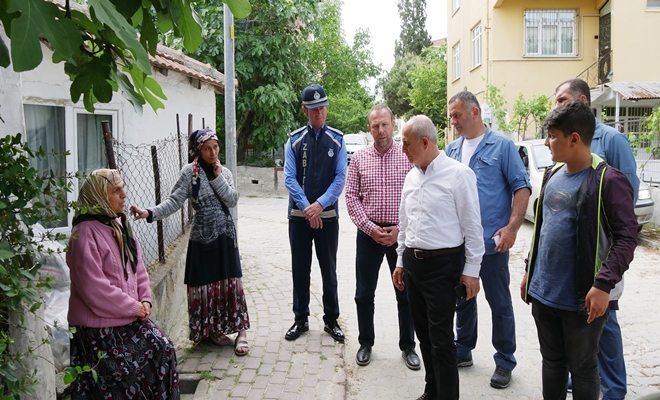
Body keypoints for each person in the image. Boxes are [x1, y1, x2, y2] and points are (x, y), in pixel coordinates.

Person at [520, 100, 638, 400]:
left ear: (574, 138)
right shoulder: (551, 175)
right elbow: (542, 231)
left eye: (552, 136)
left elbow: (626, 238)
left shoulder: (608, 180)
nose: (547, 143)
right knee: (552, 363)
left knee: (584, 369)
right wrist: (528, 272)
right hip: (544, 295)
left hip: (581, 300)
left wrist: (603, 284)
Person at [554, 78, 640, 400]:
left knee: (605, 321)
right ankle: (586, 376)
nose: (556, 106)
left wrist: (610, 247)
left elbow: (625, 197)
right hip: (572, 258)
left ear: (582, 100)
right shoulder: (563, 139)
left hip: (604, 253)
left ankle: (614, 390)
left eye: (562, 100)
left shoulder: (611, 139)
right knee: (581, 323)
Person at [130, 128, 250, 356]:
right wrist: (149, 213)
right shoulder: (190, 173)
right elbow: (174, 201)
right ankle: (211, 331)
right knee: (205, 285)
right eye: (207, 148)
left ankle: (241, 331)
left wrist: (216, 177)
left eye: (215, 147)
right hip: (201, 239)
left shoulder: (223, 172)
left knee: (231, 282)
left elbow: (232, 199)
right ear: (198, 150)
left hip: (225, 236)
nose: (213, 152)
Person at [392, 115, 485, 400]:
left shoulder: (458, 174)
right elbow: (404, 222)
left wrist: (472, 270)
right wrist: (399, 261)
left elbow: (472, 226)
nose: (402, 149)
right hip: (413, 265)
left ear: (424, 141)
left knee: (442, 340)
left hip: (443, 266)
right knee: (424, 334)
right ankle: (432, 391)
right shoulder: (411, 176)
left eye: (406, 144)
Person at [67, 169, 179, 398]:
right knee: (129, 374)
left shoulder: (119, 225)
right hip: (98, 328)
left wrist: (145, 299)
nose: (124, 194)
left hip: (125, 318)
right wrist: (134, 307)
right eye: (115, 190)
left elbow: (138, 269)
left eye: (122, 188)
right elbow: (94, 290)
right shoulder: (84, 234)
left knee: (163, 349)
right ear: (99, 196)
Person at [445, 91, 531, 389]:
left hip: (492, 245)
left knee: (499, 303)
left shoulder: (502, 147)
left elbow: (522, 188)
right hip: (460, 244)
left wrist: (511, 229)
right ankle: (464, 348)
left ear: (475, 112)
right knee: (463, 298)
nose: (453, 121)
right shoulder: (452, 151)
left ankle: (505, 360)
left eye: (457, 115)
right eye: (451, 116)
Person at [345, 104, 420, 369]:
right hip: (369, 234)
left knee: (406, 292)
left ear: (393, 125)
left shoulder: (407, 156)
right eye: (375, 125)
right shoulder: (359, 159)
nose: (380, 130)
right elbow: (351, 197)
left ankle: (408, 346)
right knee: (364, 293)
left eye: (385, 124)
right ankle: (366, 342)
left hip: (401, 234)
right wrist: (370, 228)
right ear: (370, 128)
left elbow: (417, 196)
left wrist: (400, 229)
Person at [283, 84, 347, 343]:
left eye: (322, 108)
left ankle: (331, 320)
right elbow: (289, 177)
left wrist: (319, 205)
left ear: (327, 108)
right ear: (304, 111)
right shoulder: (294, 140)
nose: (318, 113)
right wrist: (308, 209)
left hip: (328, 218)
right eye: (313, 109)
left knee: (328, 269)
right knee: (300, 269)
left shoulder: (338, 140)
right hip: (299, 219)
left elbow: (340, 178)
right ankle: (301, 318)